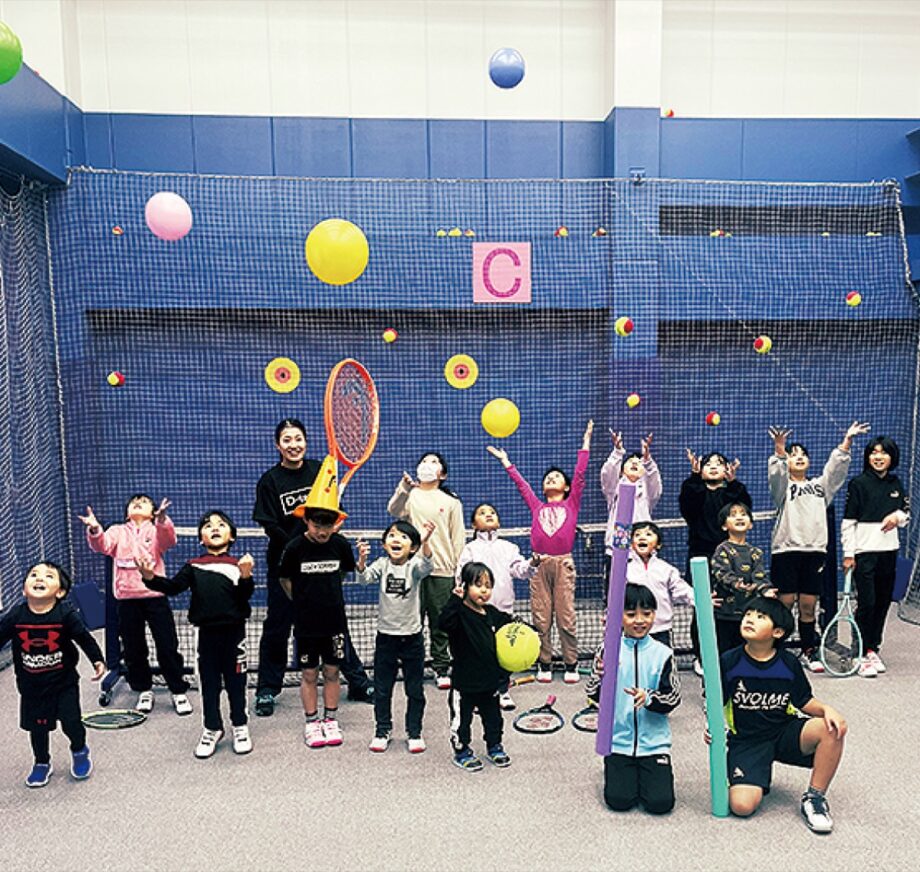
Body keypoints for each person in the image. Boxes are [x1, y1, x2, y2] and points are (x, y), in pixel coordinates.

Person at [253, 418, 371, 715]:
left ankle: (357, 681)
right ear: (277, 445)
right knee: (278, 626)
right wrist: (300, 542)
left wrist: (321, 541)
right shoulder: (270, 481)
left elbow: (330, 514)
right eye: (287, 440)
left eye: (298, 438)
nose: (294, 445)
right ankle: (267, 689)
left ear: (306, 441)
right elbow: (269, 524)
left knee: (335, 626)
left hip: (323, 562)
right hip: (288, 564)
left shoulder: (321, 470)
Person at [717, 597, 847, 833]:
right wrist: (712, 728)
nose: (750, 619)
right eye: (748, 614)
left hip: (783, 732)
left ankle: (814, 798)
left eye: (760, 617)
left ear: (777, 632)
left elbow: (804, 700)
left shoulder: (788, 662)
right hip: (748, 741)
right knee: (742, 806)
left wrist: (828, 709)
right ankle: (749, 772)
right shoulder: (729, 661)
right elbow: (715, 703)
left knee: (831, 728)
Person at [139, 510, 255, 759]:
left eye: (221, 525)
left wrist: (246, 576)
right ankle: (212, 728)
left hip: (235, 635)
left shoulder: (238, 565)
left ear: (232, 536)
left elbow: (245, 597)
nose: (214, 527)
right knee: (208, 685)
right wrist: (150, 578)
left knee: (237, 684)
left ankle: (240, 726)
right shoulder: (193, 566)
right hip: (205, 636)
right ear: (201, 538)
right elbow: (171, 588)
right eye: (207, 525)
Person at [487, 420, 593, 684]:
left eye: (557, 477)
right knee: (541, 617)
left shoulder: (572, 503)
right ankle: (544, 662)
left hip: (563, 564)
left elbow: (580, 474)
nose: (551, 479)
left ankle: (570, 662)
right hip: (538, 564)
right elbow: (522, 485)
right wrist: (506, 462)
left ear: (567, 488)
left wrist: (586, 443)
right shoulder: (537, 506)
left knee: (566, 616)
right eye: (548, 478)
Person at [768, 421, 869, 671]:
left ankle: (808, 650)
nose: (799, 458)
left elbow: (835, 471)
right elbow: (777, 475)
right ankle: (776, 653)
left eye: (803, 455)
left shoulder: (820, 488)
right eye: (794, 455)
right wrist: (780, 451)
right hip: (786, 551)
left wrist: (847, 441)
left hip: (814, 553)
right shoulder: (783, 489)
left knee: (808, 605)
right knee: (785, 602)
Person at [78, 495, 191, 715]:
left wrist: (162, 520)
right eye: (133, 502)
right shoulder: (117, 531)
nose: (138, 503)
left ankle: (178, 691)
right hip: (127, 600)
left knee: (167, 645)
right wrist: (94, 529)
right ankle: (144, 690)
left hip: (155, 596)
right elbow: (102, 545)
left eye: (144, 501)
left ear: (152, 511)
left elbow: (169, 540)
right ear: (127, 512)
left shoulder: (156, 530)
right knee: (133, 648)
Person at [0, 562, 105, 788]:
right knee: (37, 728)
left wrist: (97, 660)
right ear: (23, 589)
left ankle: (79, 750)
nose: (39, 579)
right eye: (34, 575)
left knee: (71, 723)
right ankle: (41, 762)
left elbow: (84, 639)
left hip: (63, 683)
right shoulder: (16, 615)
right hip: (31, 686)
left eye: (48, 576)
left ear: (60, 592)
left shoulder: (65, 614)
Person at [279, 457, 356, 749]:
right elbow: (285, 580)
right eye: (316, 524)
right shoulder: (294, 548)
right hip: (306, 625)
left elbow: (346, 572)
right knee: (309, 673)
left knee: (333, 671)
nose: (322, 531)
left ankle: (330, 719)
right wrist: (302, 603)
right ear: (306, 520)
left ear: (336, 523)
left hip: (335, 623)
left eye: (328, 524)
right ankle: (312, 722)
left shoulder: (341, 545)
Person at [586, 584, 680, 815]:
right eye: (630, 614)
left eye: (647, 614)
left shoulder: (663, 654)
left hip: (654, 743)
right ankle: (622, 770)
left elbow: (674, 697)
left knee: (660, 804)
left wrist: (648, 698)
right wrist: (601, 678)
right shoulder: (607, 651)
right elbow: (591, 693)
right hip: (618, 742)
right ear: (618, 617)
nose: (640, 620)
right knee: (619, 800)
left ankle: (650, 771)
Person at [387, 451, 466, 689]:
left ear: (442, 473)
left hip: (442, 571)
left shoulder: (451, 502)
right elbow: (394, 510)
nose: (426, 465)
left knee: (440, 623)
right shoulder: (411, 496)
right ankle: (413, 667)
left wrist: (458, 573)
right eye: (423, 461)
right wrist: (403, 487)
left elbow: (458, 538)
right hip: (413, 568)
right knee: (411, 621)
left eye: (433, 462)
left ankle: (442, 668)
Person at [356, 519, 435, 753]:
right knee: (382, 688)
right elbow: (363, 579)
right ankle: (382, 730)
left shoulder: (415, 567)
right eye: (391, 535)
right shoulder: (381, 564)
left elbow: (428, 566)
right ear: (384, 544)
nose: (396, 540)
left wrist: (426, 541)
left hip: (412, 638)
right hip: (386, 638)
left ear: (412, 547)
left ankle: (414, 732)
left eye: (403, 537)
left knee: (414, 690)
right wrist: (361, 559)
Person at [456, 502, 539, 709]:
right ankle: (478, 694)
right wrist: (461, 593)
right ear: (474, 524)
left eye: (492, 512)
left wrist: (532, 564)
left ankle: (502, 691)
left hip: (503, 611)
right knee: (478, 653)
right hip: (476, 612)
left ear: (499, 521)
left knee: (502, 653)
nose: (488, 515)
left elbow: (520, 570)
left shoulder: (509, 548)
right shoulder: (470, 549)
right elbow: (462, 574)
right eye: (482, 513)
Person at [841, 435, 910, 678]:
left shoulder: (896, 483)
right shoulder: (858, 483)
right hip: (864, 553)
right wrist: (849, 554)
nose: (878, 457)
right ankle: (858, 653)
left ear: (892, 457)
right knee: (867, 603)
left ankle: (872, 649)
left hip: (889, 553)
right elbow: (848, 522)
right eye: (873, 452)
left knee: (882, 604)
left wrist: (897, 518)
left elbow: (905, 513)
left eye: (883, 453)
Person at [679, 451, 752, 673]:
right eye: (707, 463)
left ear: (726, 470)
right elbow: (688, 506)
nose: (712, 466)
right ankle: (702, 656)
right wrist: (693, 477)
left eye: (719, 463)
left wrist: (733, 483)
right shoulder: (694, 491)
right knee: (703, 607)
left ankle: (732, 654)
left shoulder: (731, 496)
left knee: (733, 607)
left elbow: (744, 509)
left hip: (731, 559)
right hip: (700, 558)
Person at [439, 562, 514, 772]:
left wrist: (528, 631)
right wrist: (455, 598)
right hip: (464, 683)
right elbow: (443, 623)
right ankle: (462, 750)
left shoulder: (492, 613)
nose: (484, 590)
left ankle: (494, 746)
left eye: (488, 585)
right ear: (464, 586)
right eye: (478, 584)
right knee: (461, 721)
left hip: (489, 683)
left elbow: (511, 626)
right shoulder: (458, 613)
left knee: (494, 720)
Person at [710, 503, 774, 654]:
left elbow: (759, 576)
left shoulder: (755, 552)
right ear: (724, 526)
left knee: (745, 652)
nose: (739, 517)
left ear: (750, 524)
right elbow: (722, 574)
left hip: (747, 613)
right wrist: (737, 584)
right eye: (733, 515)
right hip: (724, 614)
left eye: (743, 514)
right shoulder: (722, 550)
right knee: (724, 653)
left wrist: (765, 590)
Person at [601, 431, 662, 586]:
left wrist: (647, 460)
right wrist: (617, 451)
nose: (635, 463)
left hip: (642, 550)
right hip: (616, 550)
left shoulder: (647, 490)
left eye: (639, 462)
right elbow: (607, 474)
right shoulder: (614, 489)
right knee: (614, 598)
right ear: (621, 470)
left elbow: (655, 483)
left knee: (642, 597)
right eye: (630, 462)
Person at [626, 522, 693, 648]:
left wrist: (702, 600)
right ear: (631, 544)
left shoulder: (667, 570)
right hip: (632, 628)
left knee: (663, 664)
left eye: (648, 534)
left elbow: (682, 591)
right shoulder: (624, 570)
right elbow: (616, 598)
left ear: (658, 544)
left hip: (661, 630)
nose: (642, 537)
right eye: (637, 535)